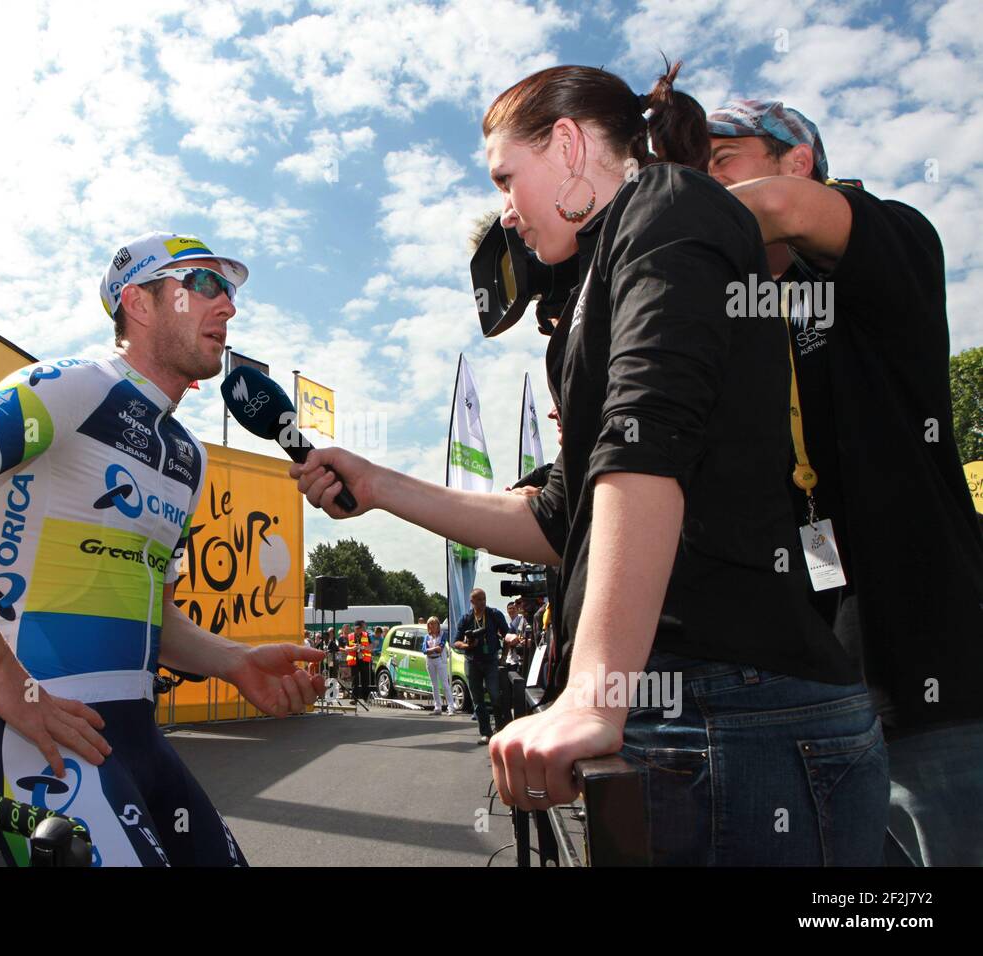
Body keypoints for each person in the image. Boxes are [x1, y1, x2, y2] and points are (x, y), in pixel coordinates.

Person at [289, 63, 889, 865]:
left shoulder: (668, 208)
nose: (505, 210)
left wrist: (594, 692)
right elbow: (557, 518)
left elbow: (649, 441)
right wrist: (379, 485)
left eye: (506, 178)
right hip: (697, 715)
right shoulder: (608, 273)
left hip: (737, 714)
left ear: (568, 145)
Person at [0, 231, 324, 868]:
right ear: (140, 302)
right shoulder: (74, 387)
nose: (228, 307)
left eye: (230, 291)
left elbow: (151, 613)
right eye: (204, 285)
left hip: (133, 735)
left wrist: (233, 660)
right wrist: (2, 680)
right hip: (35, 728)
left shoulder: (187, 455)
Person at [708, 100, 983, 865]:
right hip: (819, 704)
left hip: (934, 684)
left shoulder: (892, 238)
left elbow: (782, 208)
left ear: (797, 158)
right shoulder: (750, 315)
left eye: (720, 160)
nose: (703, 185)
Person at [452, 589, 508, 743]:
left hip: (490, 661)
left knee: (495, 695)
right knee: (478, 700)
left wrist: (503, 656)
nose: (483, 602)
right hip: (472, 662)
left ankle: (500, 730)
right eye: (479, 600)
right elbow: (455, 642)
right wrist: (466, 645)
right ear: (472, 602)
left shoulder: (494, 614)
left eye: (484, 599)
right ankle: (486, 733)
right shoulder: (466, 618)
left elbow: (507, 635)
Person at [423, 616, 456, 715]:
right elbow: (424, 650)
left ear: (438, 625)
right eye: (430, 624)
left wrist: (431, 650)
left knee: (445, 684)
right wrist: (433, 649)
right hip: (430, 661)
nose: (432, 626)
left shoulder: (442, 635)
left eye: (434, 624)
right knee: (434, 685)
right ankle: (437, 707)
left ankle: (451, 707)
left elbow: (440, 648)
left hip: (440, 660)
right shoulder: (426, 637)